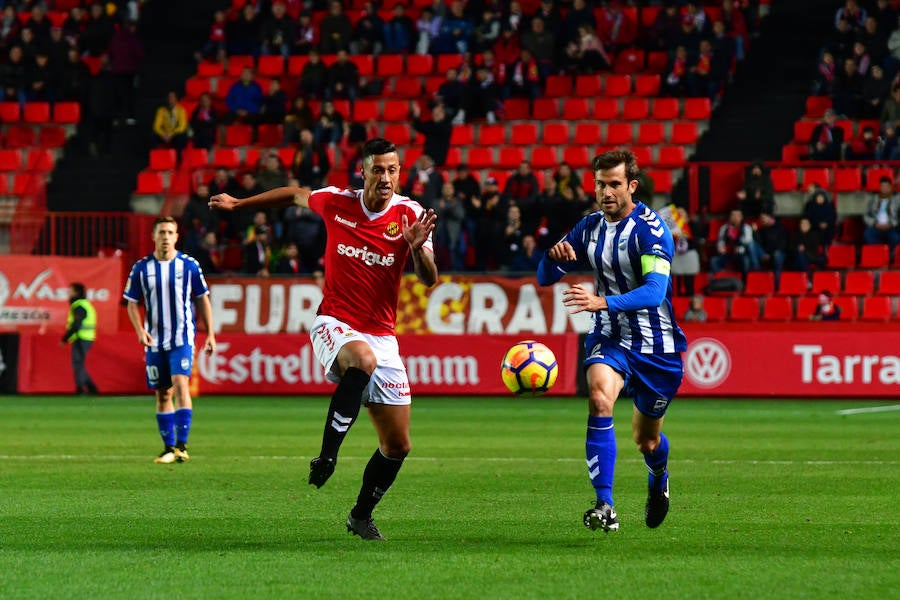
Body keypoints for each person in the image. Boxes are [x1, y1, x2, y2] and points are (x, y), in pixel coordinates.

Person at [209, 138, 438, 541]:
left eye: (393, 170)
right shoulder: (336, 201)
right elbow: (294, 194)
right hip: (334, 321)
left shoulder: (412, 214)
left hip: (383, 333)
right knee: (361, 359)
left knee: (398, 445)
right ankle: (328, 454)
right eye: (378, 170)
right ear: (362, 172)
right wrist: (239, 205)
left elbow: (429, 279)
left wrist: (417, 250)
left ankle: (360, 516)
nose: (386, 178)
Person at [536, 149, 686, 534]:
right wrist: (552, 258)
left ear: (631, 186)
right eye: (601, 183)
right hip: (611, 336)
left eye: (615, 184)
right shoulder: (588, 228)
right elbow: (545, 277)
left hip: (657, 347)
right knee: (599, 397)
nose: (606, 191)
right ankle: (605, 504)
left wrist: (601, 300)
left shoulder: (653, 231)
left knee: (647, 442)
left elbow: (654, 292)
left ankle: (659, 475)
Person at [123, 217, 216, 465]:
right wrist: (139, 331)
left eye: (170, 232)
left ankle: (182, 446)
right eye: (161, 232)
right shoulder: (141, 268)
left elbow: (202, 299)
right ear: (153, 236)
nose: (165, 236)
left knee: (180, 384)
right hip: (154, 341)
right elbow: (131, 303)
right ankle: (167, 448)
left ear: (176, 237)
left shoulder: (189, 266)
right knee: (162, 394)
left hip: (182, 337)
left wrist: (211, 334)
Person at [61, 282, 99, 395]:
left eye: (70, 290)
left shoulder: (79, 305)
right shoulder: (83, 304)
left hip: (82, 337)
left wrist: (65, 338)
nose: (68, 292)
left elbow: (77, 323)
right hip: (85, 337)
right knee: (79, 364)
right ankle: (91, 388)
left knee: (78, 363)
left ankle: (81, 388)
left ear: (76, 292)